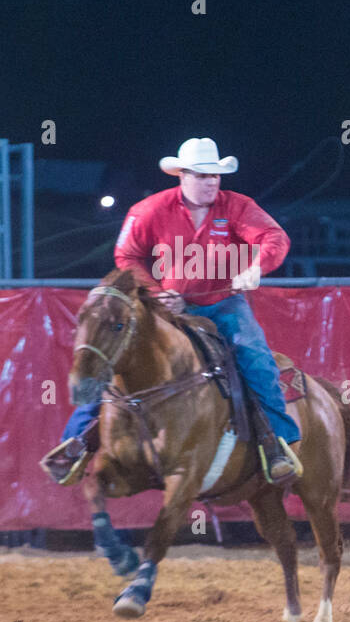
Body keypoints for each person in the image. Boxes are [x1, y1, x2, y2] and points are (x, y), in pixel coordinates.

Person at [41, 137, 302, 486]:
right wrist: (157, 292)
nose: (211, 182)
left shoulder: (238, 207)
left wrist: (256, 267)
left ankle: (277, 443)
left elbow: (274, 238)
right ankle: (75, 443)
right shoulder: (149, 210)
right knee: (113, 356)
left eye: (215, 176)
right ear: (182, 176)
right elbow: (128, 257)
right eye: (202, 175)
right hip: (167, 306)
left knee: (254, 355)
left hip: (223, 303)